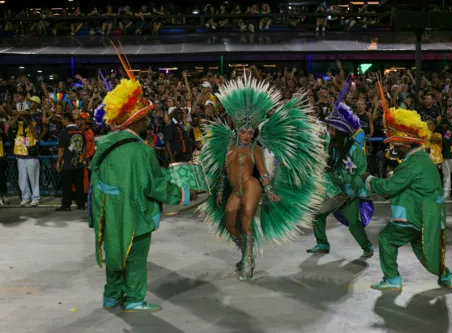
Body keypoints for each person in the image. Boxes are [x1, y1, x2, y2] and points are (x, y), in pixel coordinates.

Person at [89, 46, 198, 312]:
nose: (147, 122)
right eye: (144, 118)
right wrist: (185, 194)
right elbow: (154, 185)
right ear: (133, 123)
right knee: (135, 256)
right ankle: (134, 299)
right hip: (134, 214)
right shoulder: (140, 150)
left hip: (109, 211)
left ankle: (112, 296)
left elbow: (96, 177)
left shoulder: (104, 144)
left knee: (115, 252)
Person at [199, 75, 326, 281]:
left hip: (251, 185)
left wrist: (269, 191)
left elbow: (263, 172)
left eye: (250, 132)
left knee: (246, 219)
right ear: (238, 130)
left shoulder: (255, 148)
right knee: (230, 222)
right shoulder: (227, 147)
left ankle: (248, 263)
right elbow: (223, 172)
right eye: (244, 131)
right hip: (235, 189)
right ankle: (245, 252)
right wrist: (221, 192)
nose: (247, 135)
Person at [362, 107, 452, 291]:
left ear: (406, 145)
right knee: (424, 248)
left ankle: (392, 279)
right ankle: (446, 276)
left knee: (387, 238)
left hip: (414, 213)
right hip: (428, 214)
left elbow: (390, 187)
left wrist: (369, 179)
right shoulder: (420, 158)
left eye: (396, 147)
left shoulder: (412, 163)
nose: (393, 150)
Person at [307, 102, 374, 256]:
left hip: (349, 193)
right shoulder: (331, 146)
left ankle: (366, 246)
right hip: (332, 191)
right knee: (317, 214)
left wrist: (351, 192)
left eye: (332, 129)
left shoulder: (354, 149)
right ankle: (322, 243)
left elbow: (361, 173)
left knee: (354, 223)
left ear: (340, 131)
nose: (329, 132)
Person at [56, 112, 86, 211]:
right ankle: (81, 204)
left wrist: (58, 162)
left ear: (66, 120)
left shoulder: (64, 132)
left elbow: (61, 149)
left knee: (67, 185)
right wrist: (83, 159)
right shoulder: (81, 131)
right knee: (79, 185)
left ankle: (66, 205)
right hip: (79, 163)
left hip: (68, 163)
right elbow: (84, 147)